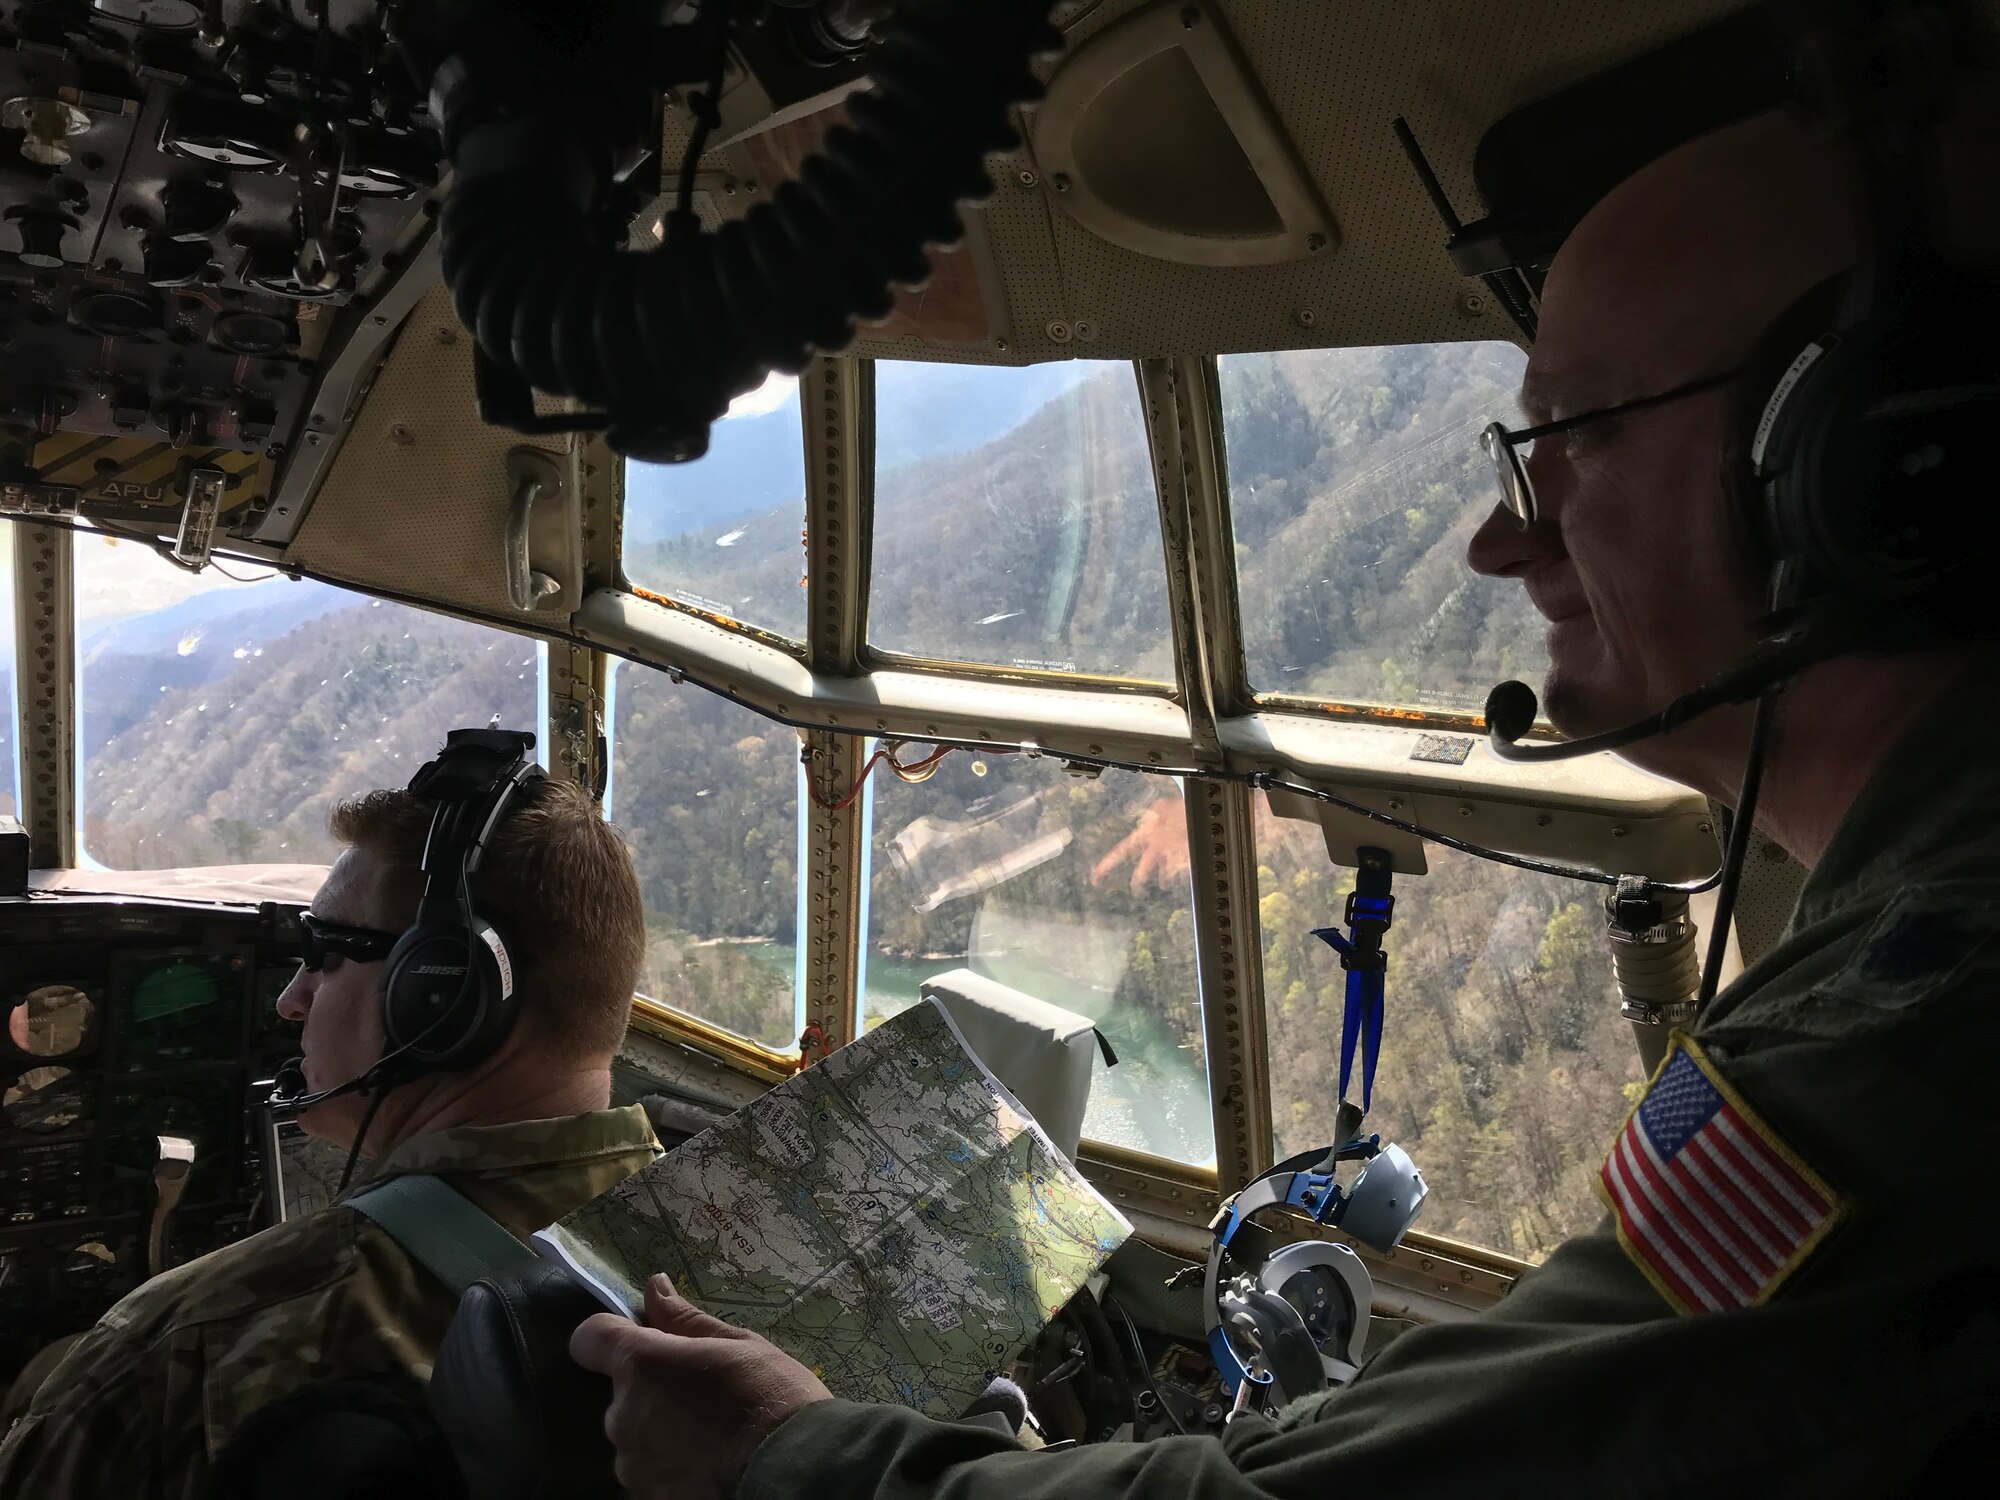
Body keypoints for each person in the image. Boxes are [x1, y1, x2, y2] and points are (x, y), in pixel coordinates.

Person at [568, 79, 2000, 1500]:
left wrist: (785, 1462)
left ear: (1866, 461)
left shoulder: (1929, 1028)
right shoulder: (1903, 938)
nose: (1503, 547)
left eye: (1583, 432)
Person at [0, 769, 659, 1497]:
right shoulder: (745, 1263)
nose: (290, 1000)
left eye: (326, 952)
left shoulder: (183, 1345)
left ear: (439, 992)